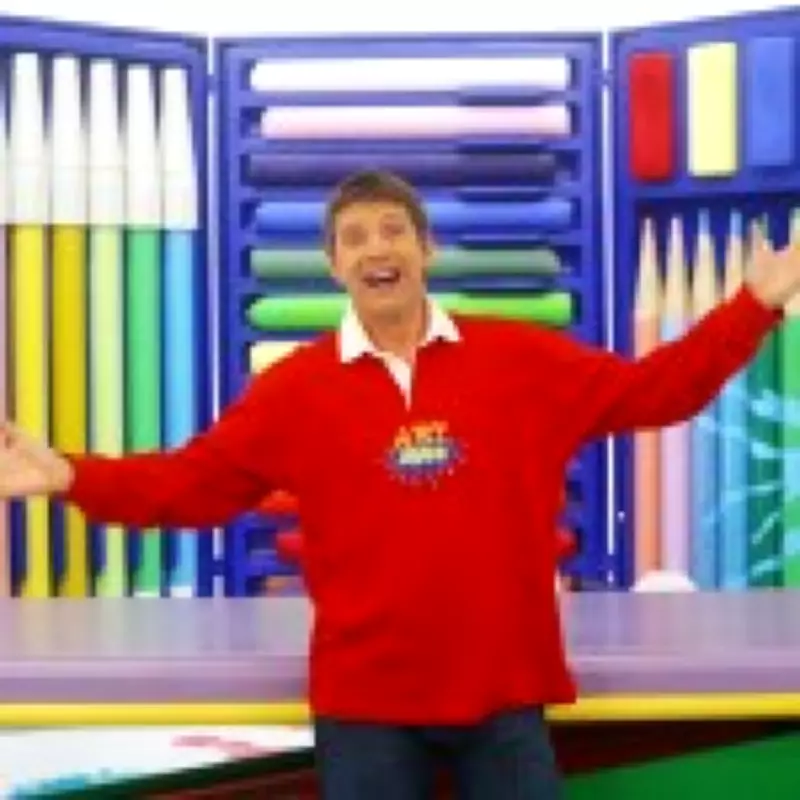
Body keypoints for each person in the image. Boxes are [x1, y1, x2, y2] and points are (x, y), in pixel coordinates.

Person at [0, 170, 793, 799]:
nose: (376, 248)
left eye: (392, 230)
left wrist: (754, 304)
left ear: (425, 248)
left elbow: (657, 391)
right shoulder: (295, 390)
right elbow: (190, 483)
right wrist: (69, 474)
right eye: (354, 238)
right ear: (334, 266)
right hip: (366, 707)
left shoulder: (519, 360)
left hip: (503, 694)